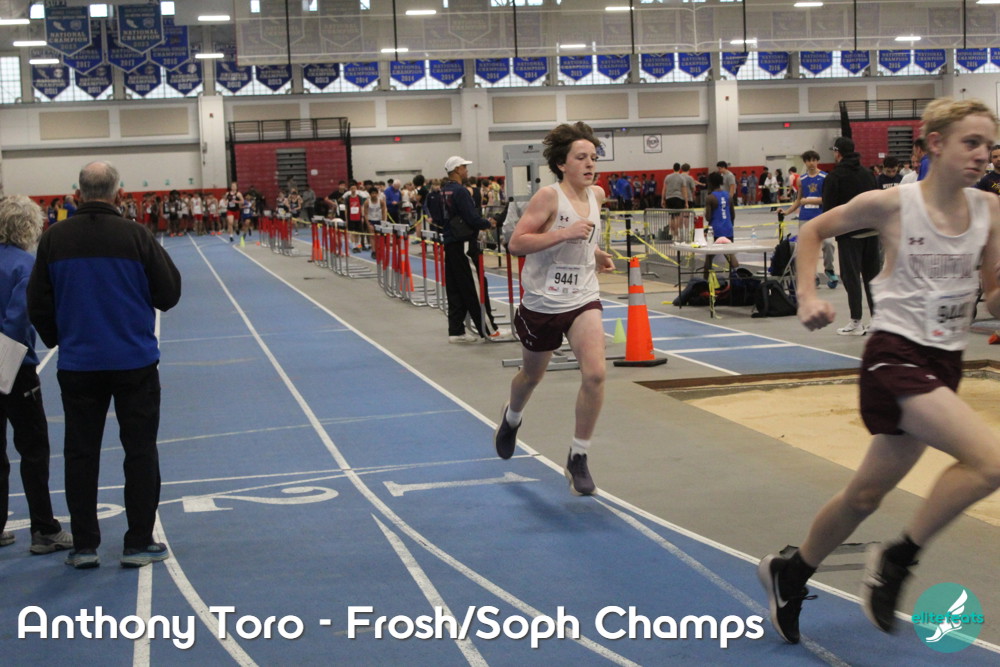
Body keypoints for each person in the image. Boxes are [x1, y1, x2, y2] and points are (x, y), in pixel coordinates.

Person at [758, 97, 1000, 645]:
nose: (983, 155)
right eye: (971, 142)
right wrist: (806, 297)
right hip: (895, 357)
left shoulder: (990, 211)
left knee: (864, 497)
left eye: (989, 145)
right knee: (989, 462)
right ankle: (897, 559)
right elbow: (812, 232)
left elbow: (992, 297)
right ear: (935, 143)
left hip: (945, 362)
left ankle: (790, 573)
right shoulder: (892, 204)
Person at [27, 161, 182, 569]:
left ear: (77, 194)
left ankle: (84, 546)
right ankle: (138, 541)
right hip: (134, 361)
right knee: (140, 451)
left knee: (80, 454)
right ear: (119, 194)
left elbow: (37, 302)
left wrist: (60, 338)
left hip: (79, 363)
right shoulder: (137, 235)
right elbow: (169, 293)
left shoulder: (54, 238)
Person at [494, 121, 615, 496]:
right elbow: (516, 243)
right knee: (532, 376)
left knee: (595, 374)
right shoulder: (548, 197)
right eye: (581, 157)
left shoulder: (597, 195)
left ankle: (578, 456)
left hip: (582, 296)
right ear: (562, 163)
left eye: (593, 157)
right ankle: (512, 417)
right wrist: (563, 233)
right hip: (543, 301)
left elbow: (584, 238)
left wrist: (596, 254)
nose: (590, 164)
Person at [0, 195, 74, 555]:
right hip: (14, 367)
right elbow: (17, 322)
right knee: (33, 449)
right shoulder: (25, 265)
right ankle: (44, 528)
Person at [824, 136, 879, 335]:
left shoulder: (835, 176)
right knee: (873, 277)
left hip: (849, 234)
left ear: (838, 152)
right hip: (872, 231)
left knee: (851, 278)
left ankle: (856, 321)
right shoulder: (868, 174)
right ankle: (877, 320)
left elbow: (829, 209)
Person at [441, 156, 498, 343]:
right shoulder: (460, 191)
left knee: (455, 288)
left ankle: (456, 331)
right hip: (464, 243)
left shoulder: (444, 190)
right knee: (476, 286)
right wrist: (487, 223)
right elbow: (472, 218)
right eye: (464, 167)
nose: (466, 171)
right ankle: (489, 330)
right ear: (457, 169)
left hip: (450, 242)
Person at [781, 150, 837, 287]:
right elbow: (799, 200)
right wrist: (786, 212)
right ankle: (813, 275)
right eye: (808, 160)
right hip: (805, 217)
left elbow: (827, 199)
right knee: (808, 248)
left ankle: (829, 269)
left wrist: (810, 201)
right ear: (805, 162)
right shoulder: (801, 179)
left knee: (828, 244)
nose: (811, 163)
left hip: (821, 216)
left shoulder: (825, 177)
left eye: (814, 160)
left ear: (817, 161)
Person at [702, 171, 738, 279]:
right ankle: (736, 279)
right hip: (728, 230)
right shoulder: (728, 196)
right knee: (730, 257)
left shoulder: (710, 197)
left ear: (710, 183)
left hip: (715, 231)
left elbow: (708, 217)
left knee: (709, 260)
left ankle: (705, 283)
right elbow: (733, 215)